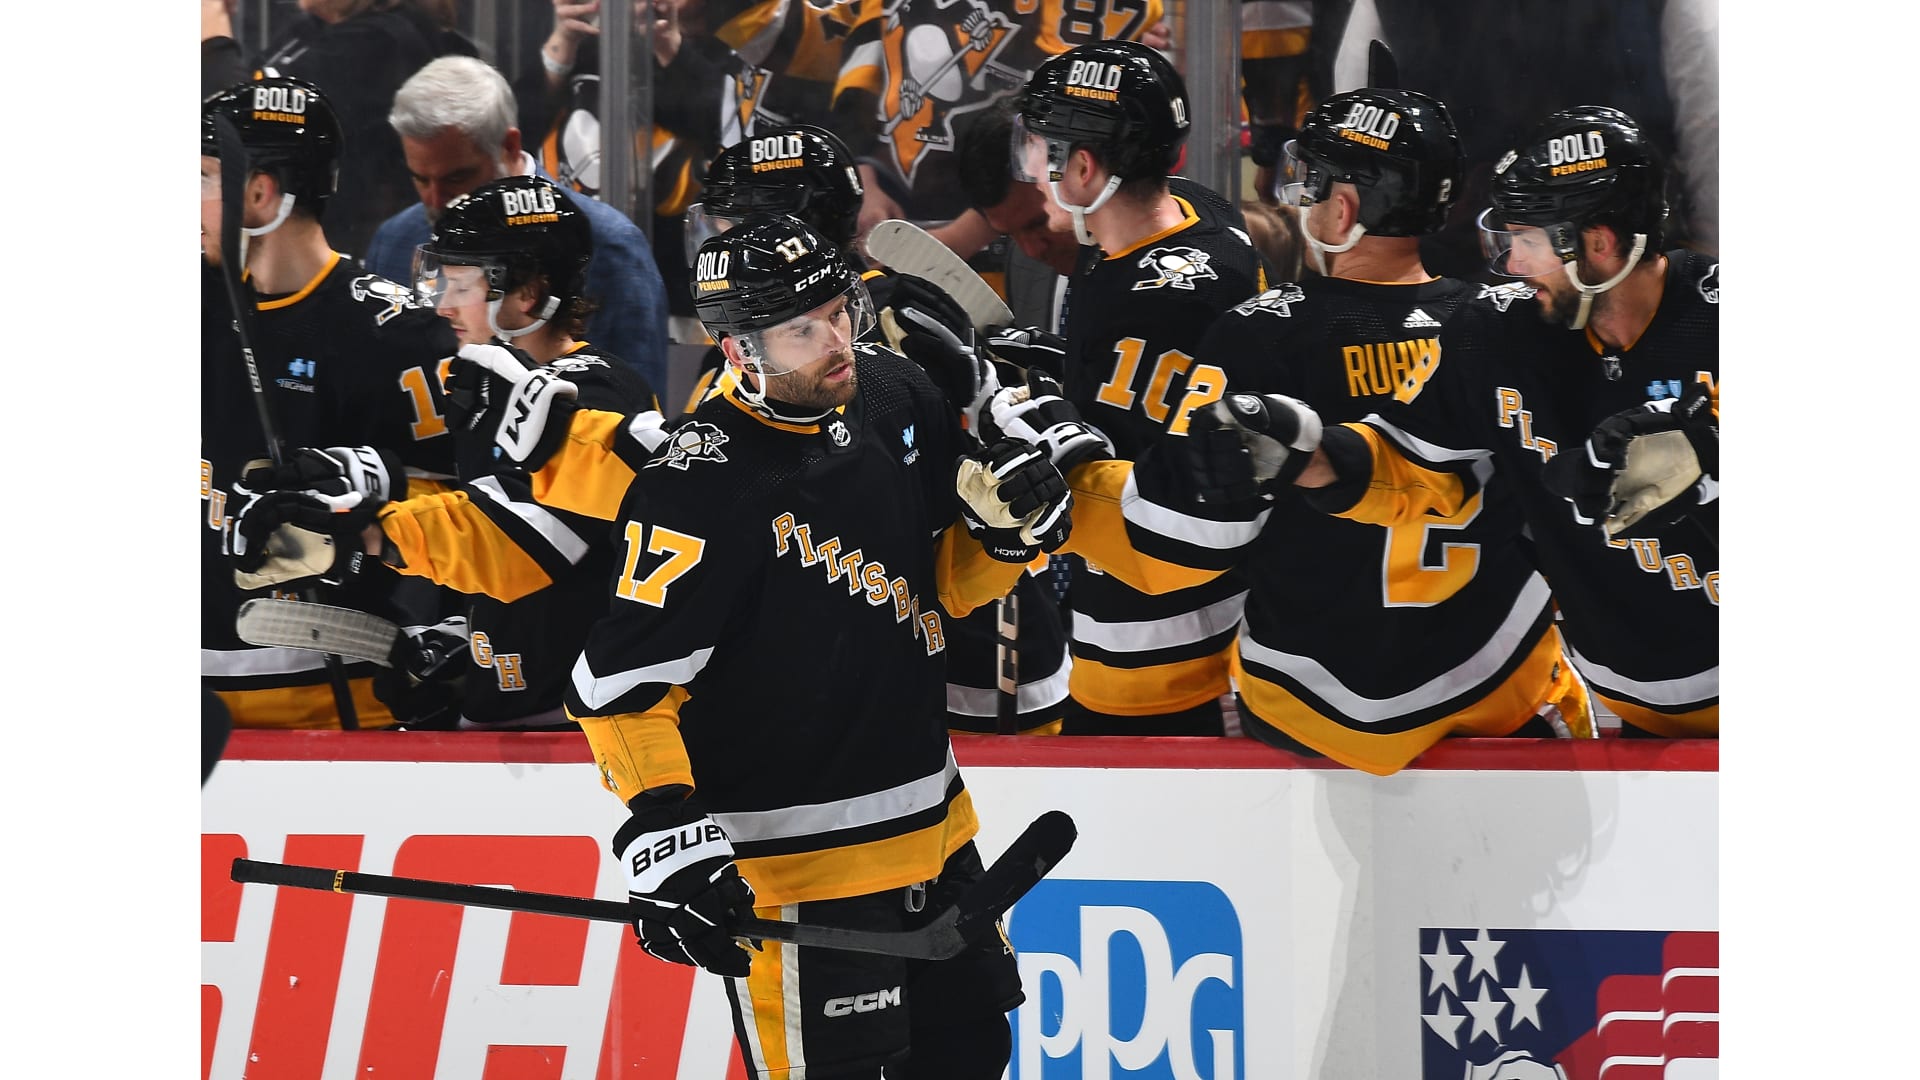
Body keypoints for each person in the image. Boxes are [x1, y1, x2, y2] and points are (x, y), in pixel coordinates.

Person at [405, 213, 1065, 1077]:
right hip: (799, 878)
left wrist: (1004, 538)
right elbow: (620, 688)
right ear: (737, 350)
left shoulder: (896, 392)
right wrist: (668, 831)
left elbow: (933, 588)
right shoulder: (699, 484)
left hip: (938, 840)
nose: (837, 344)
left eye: (840, 312)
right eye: (801, 332)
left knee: (974, 1057)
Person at [986, 88, 1594, 775]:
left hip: (1311, 713)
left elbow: (1183, 543)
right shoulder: (1511, 326)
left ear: (1345, 209)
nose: (1300, 200)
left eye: (1312, 183)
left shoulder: (1261, 335)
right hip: (1502, 701)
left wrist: (1069, 464)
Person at [1204, 104, 1718, 738]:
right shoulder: (1497, 331)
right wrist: (1314, 458)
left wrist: (1710, 458)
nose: (1512, 265)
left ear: (1598, 245)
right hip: (1629, 705)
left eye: (1526, 241)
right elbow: (1414, 458)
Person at [682, 124, 1077, 735]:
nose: (722, 252)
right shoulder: (881, 310)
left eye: (735, 230)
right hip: (890, 642)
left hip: (960, 638)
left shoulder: (879, 322)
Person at [1004, 39, 1268, 735]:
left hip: (1157, 646)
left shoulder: (1137, 306)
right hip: (1230, 617)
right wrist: (1068, 365)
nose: (1031, 172)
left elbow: (1101, 480)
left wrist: (1018, 409)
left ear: (1083, 167)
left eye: (1039, 149)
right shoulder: (1207, 216)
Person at [202, 75, 459, 730]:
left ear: (259, 193)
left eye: (202, 179)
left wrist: (363, 487)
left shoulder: (396, 334)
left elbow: (474, 510)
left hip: (332, 705)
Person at [362, 55, 673, 390]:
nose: (436, 201)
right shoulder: (395, 240)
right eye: (421, 179)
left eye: (456, 178)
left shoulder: (608, 243)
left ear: (509, 146)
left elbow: (635, 398)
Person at [203, 0, 479, 258]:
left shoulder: (384, 41)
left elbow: (241, 125)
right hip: (284, 247)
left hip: (344, 253)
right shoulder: (309, 28)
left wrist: (213, 34)